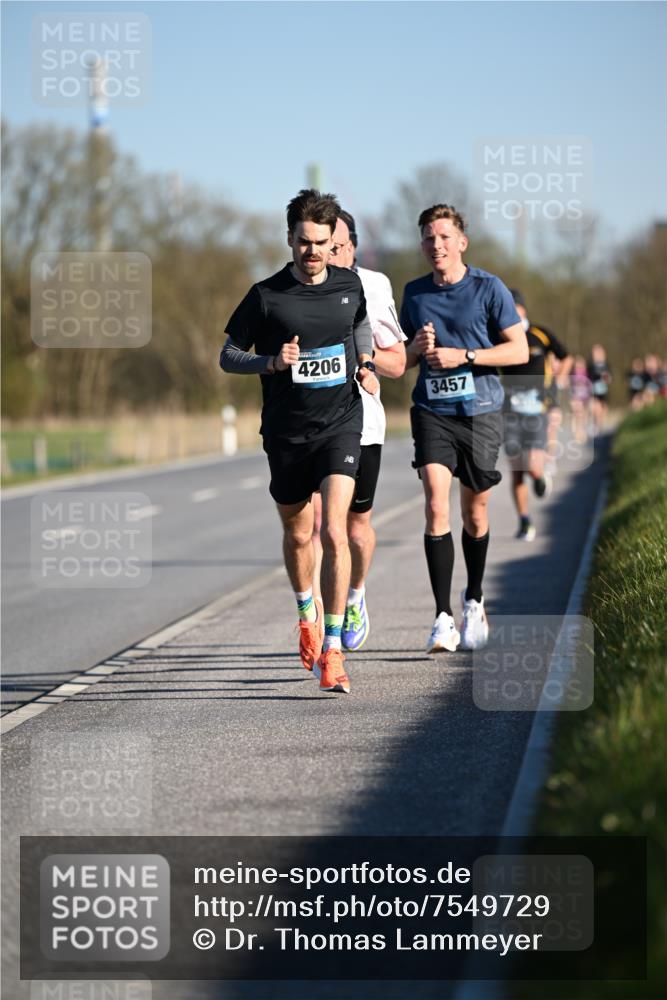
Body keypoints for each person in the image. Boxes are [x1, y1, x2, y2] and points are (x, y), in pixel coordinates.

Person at [219, 189, 379, 694]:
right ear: (290, 239)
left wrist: (367, 364)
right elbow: (226, 355)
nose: (313, 252)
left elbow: (359, 329)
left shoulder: (349, 285)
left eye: (322, 243)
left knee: (335, 530)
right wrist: (270, 362)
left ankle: (332, 650)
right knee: (298, 533)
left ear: (335, 241)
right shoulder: (266, 295)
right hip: (287, 432)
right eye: (304, 242)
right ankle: (306, 613)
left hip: (341, 423)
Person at [400, 204, 528, 653]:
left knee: (475, 514)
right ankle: (441, 618)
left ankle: (473, 597)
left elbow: (519, 351)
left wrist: (466, 357)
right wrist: (414, 348)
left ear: (461, 242)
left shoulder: (488, 287)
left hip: (481, 411)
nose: (436, 245)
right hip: (432, 410)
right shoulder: (413, 294)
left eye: (444, 237)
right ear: (422, 245)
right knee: (436, 505)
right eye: (428, 239)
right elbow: (403, 360)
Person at [310, 210, 407, 651]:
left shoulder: (375, 284)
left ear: (352, 244)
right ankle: (317, 620)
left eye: (342, 245)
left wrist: (361, 361)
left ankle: (355, 595)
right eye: (329, 245)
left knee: (355, 527)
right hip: (313, 425)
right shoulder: (302, 288)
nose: (335, 253)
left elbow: (399, 362)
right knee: (318, 526)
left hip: (363, 423)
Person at [502, 290, 571, 542]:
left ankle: (540, 476)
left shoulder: (540, 334)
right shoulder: (498, 335)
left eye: (514, 309)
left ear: (523, 310)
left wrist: (558, 382)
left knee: (531, 466)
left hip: (536, 410)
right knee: (516, 471)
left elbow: (566, 356)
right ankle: (524, 521)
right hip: (509, 410)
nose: (510, 313)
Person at [587, 344, 612, 434]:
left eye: (598, 352)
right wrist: (600, 375)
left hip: (603, 391)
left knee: (602, 411)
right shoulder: (590, 365)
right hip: (593, 391)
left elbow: (609, 378)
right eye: (595, 353)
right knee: (595, 409)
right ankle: (596, 427)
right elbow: (590, 376)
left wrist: (607, 378)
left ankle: (600, 429)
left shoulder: (606, 365)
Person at [569, 356, 593, 443]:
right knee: (577, 414)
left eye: (581, 364)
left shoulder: (587, 374)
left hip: (584, 397)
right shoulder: (573, 374)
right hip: (575, 397)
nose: (579, 366)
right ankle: (577, 431)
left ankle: (581, 431)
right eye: (577, 365)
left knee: (582, 415)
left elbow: (590, 386)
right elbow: (569, 387)